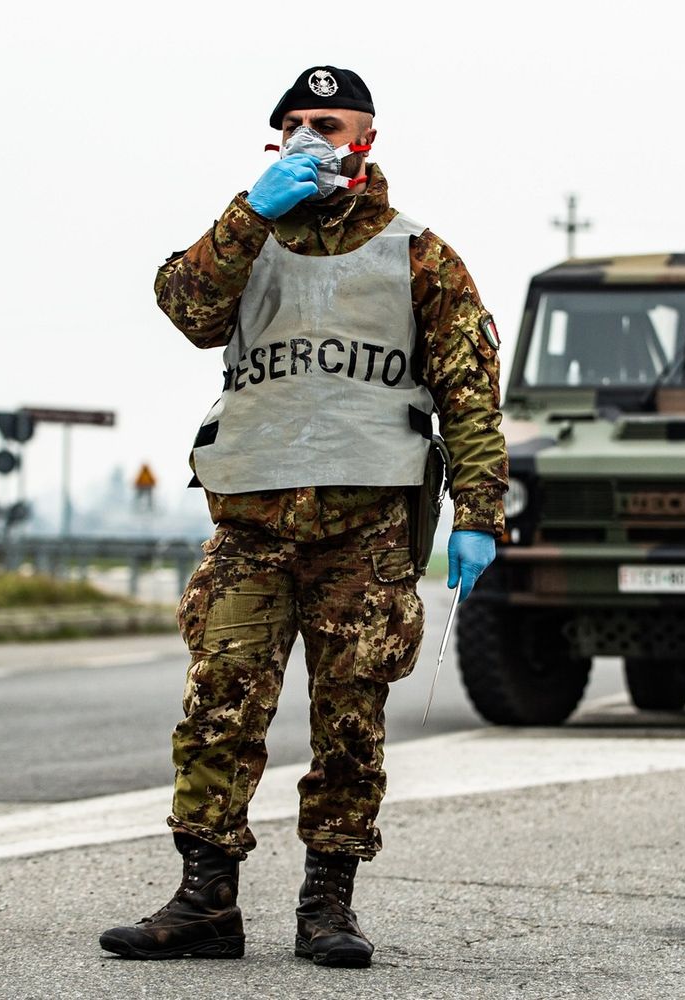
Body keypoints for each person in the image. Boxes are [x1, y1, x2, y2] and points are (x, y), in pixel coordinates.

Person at [101, 65, 508, 967]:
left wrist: (479, 511)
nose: (317, 139)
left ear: (369, 137)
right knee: (219, 709)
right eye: (300, 124)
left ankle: (329, 905)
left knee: (350, 724)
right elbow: (187, 308)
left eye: (335, 123)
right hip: (252, 523)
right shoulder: (245, 238)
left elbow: (470, 393)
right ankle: (205, 899)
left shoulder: (420, 254)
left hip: (365, 529)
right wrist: (251, 211)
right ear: (276, 139)